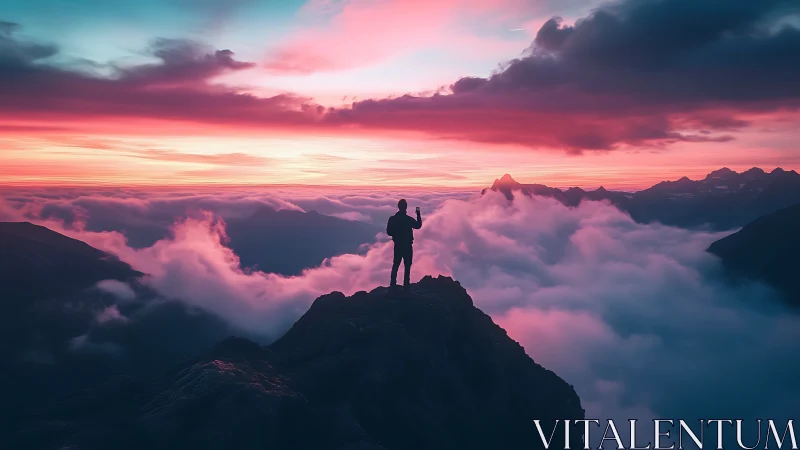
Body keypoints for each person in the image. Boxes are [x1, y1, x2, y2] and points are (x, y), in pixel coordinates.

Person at [386, 199, 422, 288]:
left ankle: (392, 284)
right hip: (407, 246)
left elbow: (389, 232)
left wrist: (396, 233)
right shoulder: (408, 219)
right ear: (405, 207)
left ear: (398, 207)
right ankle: (406, 285)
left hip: (398, 245)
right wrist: (418, 214)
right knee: (407, 266)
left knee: (396, 264)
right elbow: (418, 225)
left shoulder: (392, 219)